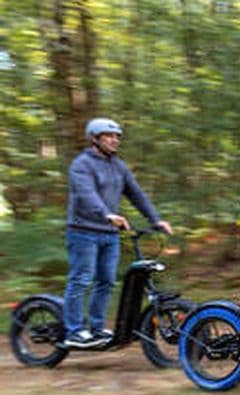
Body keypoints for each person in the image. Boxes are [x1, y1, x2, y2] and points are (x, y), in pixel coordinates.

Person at [63, 117, 173, 348]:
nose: (115, 140)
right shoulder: (82, 165)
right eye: (109, 136)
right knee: (81, 279)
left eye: (117, 137)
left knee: (107, 282)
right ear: (95, 139)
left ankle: (96, 328)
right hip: (83, 232)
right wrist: (107, 214)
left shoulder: (118, 167)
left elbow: (136, 194)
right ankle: (73, 331)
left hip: (109, 234)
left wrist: (156, 220)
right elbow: (86, 194)